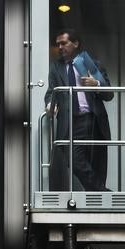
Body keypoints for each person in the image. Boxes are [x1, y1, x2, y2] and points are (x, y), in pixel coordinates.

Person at [45, 29, 113, 191]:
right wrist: (50, 104)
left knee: (97, 166)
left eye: (64, 43)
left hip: (93, 120)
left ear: (75, 44)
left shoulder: (91, 63)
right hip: (71, 123)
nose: (60, 47)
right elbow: (51, 92)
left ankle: (98, 200)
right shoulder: (56, 68)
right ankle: (104, 193)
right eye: (58, 44)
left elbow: (109, 94)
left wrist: (96, 84)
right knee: (74, 160)